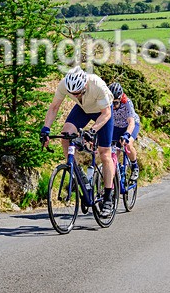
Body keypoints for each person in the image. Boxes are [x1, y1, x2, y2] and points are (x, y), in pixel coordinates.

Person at [40, 66, 116, 212]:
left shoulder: (97, 84)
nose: (76, 95)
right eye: (72, 94)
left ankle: (108, 196)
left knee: (105, 153)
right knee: (65, 136)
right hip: (83, 110)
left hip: (102, 111)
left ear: (85, 85)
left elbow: (106, 114)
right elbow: (54, 107)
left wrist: (92, 131)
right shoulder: (64, 84)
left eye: (78, 93)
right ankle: (77, 172)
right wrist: (46, 129)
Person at [108, 82, 141, 181]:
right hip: (116, 126)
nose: (113, 106)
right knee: (113, 151)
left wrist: (127, 134)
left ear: (120, 99)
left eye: (116, 103)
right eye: (111, 103)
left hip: (129, 125)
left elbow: (131, 122)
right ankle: (115, 174)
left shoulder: (127, 103)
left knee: (128, 144)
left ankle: (135, 166)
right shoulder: (106, 102)